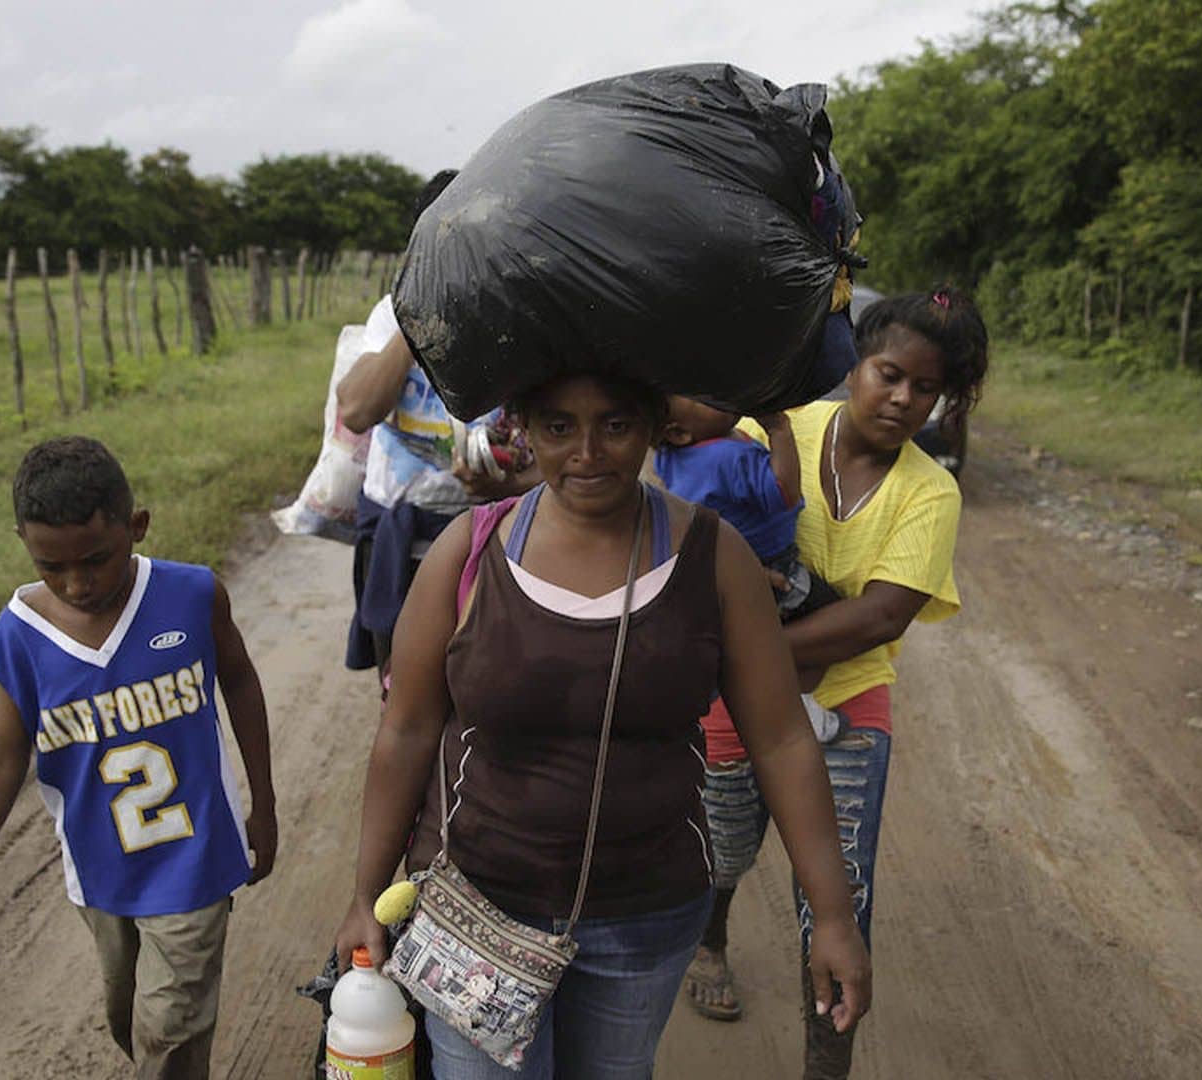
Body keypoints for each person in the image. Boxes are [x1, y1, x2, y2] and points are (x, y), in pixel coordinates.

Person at [334, 372, 872, 1079]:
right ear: (524, 426)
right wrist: (364, 897)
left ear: (655, 423)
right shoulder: (468, 554)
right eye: (559, 427)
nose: (587, 452)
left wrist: (831, 916)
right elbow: (404, 732)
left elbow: (781, 739)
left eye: (614, 426)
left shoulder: (716, 559)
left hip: (647, 919)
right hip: (477, 915)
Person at [684, 289, 989, 1080]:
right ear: (855, 362)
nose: (903, 399)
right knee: (720, 849)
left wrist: (745, 649)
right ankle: (709, 938)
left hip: (846, 703)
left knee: (841, 903)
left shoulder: (931, 491)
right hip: (734, 697)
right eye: (890, 374)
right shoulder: (770, 429)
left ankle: (826, 1066)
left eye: (928, 389)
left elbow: (879, 619)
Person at [0, 436, 278, 1080]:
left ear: (135, 527)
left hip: (196, 856)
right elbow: (3, 761)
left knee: (170, 1033)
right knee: (132, 1021)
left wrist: (264, 805)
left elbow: (242, 682)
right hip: (100, 870)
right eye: (52, 567)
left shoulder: (193, 596)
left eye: (95, 560)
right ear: (24, 546)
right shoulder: (21, 638)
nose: (76, 583)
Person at [336, 168, 534, 684]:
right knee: (403, 688)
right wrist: (415, 315)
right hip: (400, 530)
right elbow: (357, 411)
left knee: (485, 688)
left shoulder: (518, 317)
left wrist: (507, 484)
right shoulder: (390, 316)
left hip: (494, 529)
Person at [655, 397, 847, 740]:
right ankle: (798, 704)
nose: (716, 394)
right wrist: (779, 430)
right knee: (832, 613)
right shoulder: (726, 457)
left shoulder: (674, 456)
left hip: (718, 568)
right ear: (680, 432)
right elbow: (784, 492)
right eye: (702, 399)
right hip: (769, 566)